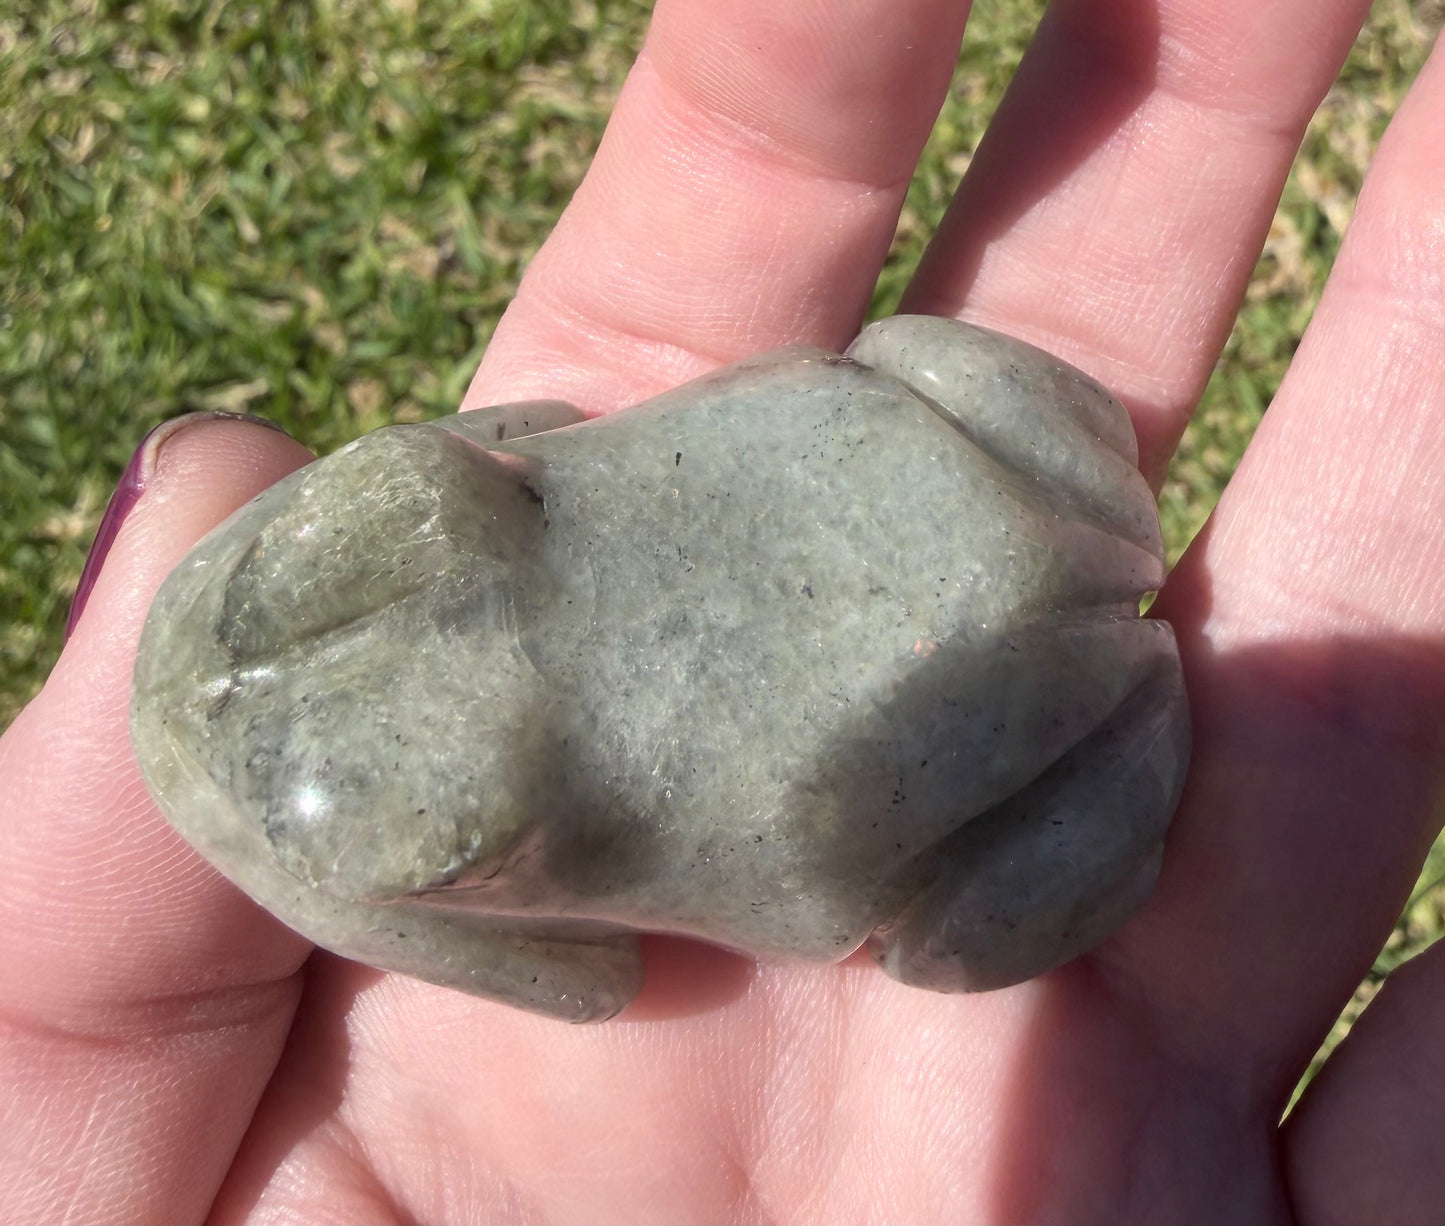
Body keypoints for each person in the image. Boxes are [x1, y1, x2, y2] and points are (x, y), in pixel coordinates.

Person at [3, 0, 1442, 1219]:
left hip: (1003, 688)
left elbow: (586, 975)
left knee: (943, 921)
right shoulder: (474, 485)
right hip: (919, 458)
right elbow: (530, 426)